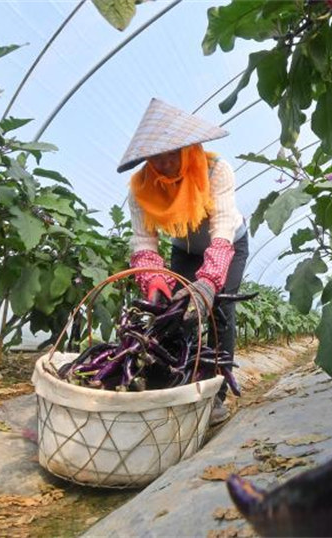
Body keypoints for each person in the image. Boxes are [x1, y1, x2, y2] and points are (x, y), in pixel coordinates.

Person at [117, 98, 249, 425]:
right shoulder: (140, 189)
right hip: (185, 249)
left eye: (171, 153)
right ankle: (172, 383)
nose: (164, 163)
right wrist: (153, 277)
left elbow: (221, 227)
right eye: (155, 157)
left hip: (229, 242)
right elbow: (145, 240)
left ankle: (215, 395)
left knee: (218, 309)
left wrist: (209, 281)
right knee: (172, 313)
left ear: (188, 148)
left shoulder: (217, 170)